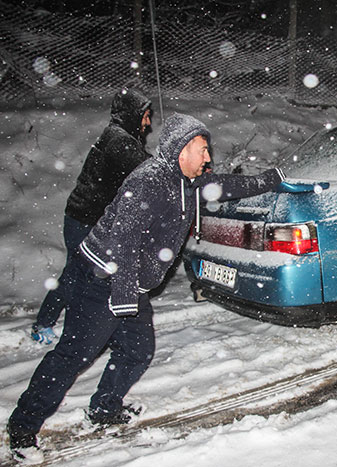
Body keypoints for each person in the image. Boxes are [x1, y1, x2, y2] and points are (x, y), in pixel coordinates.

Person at [7, 113, 285, 458]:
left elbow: (228, 185)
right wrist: (123, 297)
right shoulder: (149, 182)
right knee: (72, 356)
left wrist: (271, 179)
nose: (208, 157)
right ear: (182, 149)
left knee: (138, 351)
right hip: (101, 279)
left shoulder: (189, 182)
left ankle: (104, 410)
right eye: (202, 149)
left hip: (128, 283)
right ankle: (22, 431)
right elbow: (123, 241)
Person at [31, 87, 153, 345]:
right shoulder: (119, 141)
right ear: (133, 114)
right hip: (85, 221)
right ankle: (47, 324)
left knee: (86, 274)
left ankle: (86, 325)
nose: (148, 122)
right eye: (145, 115)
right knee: (78, 274)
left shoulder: (120, 137)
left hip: (86, 218)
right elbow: (149, 171)